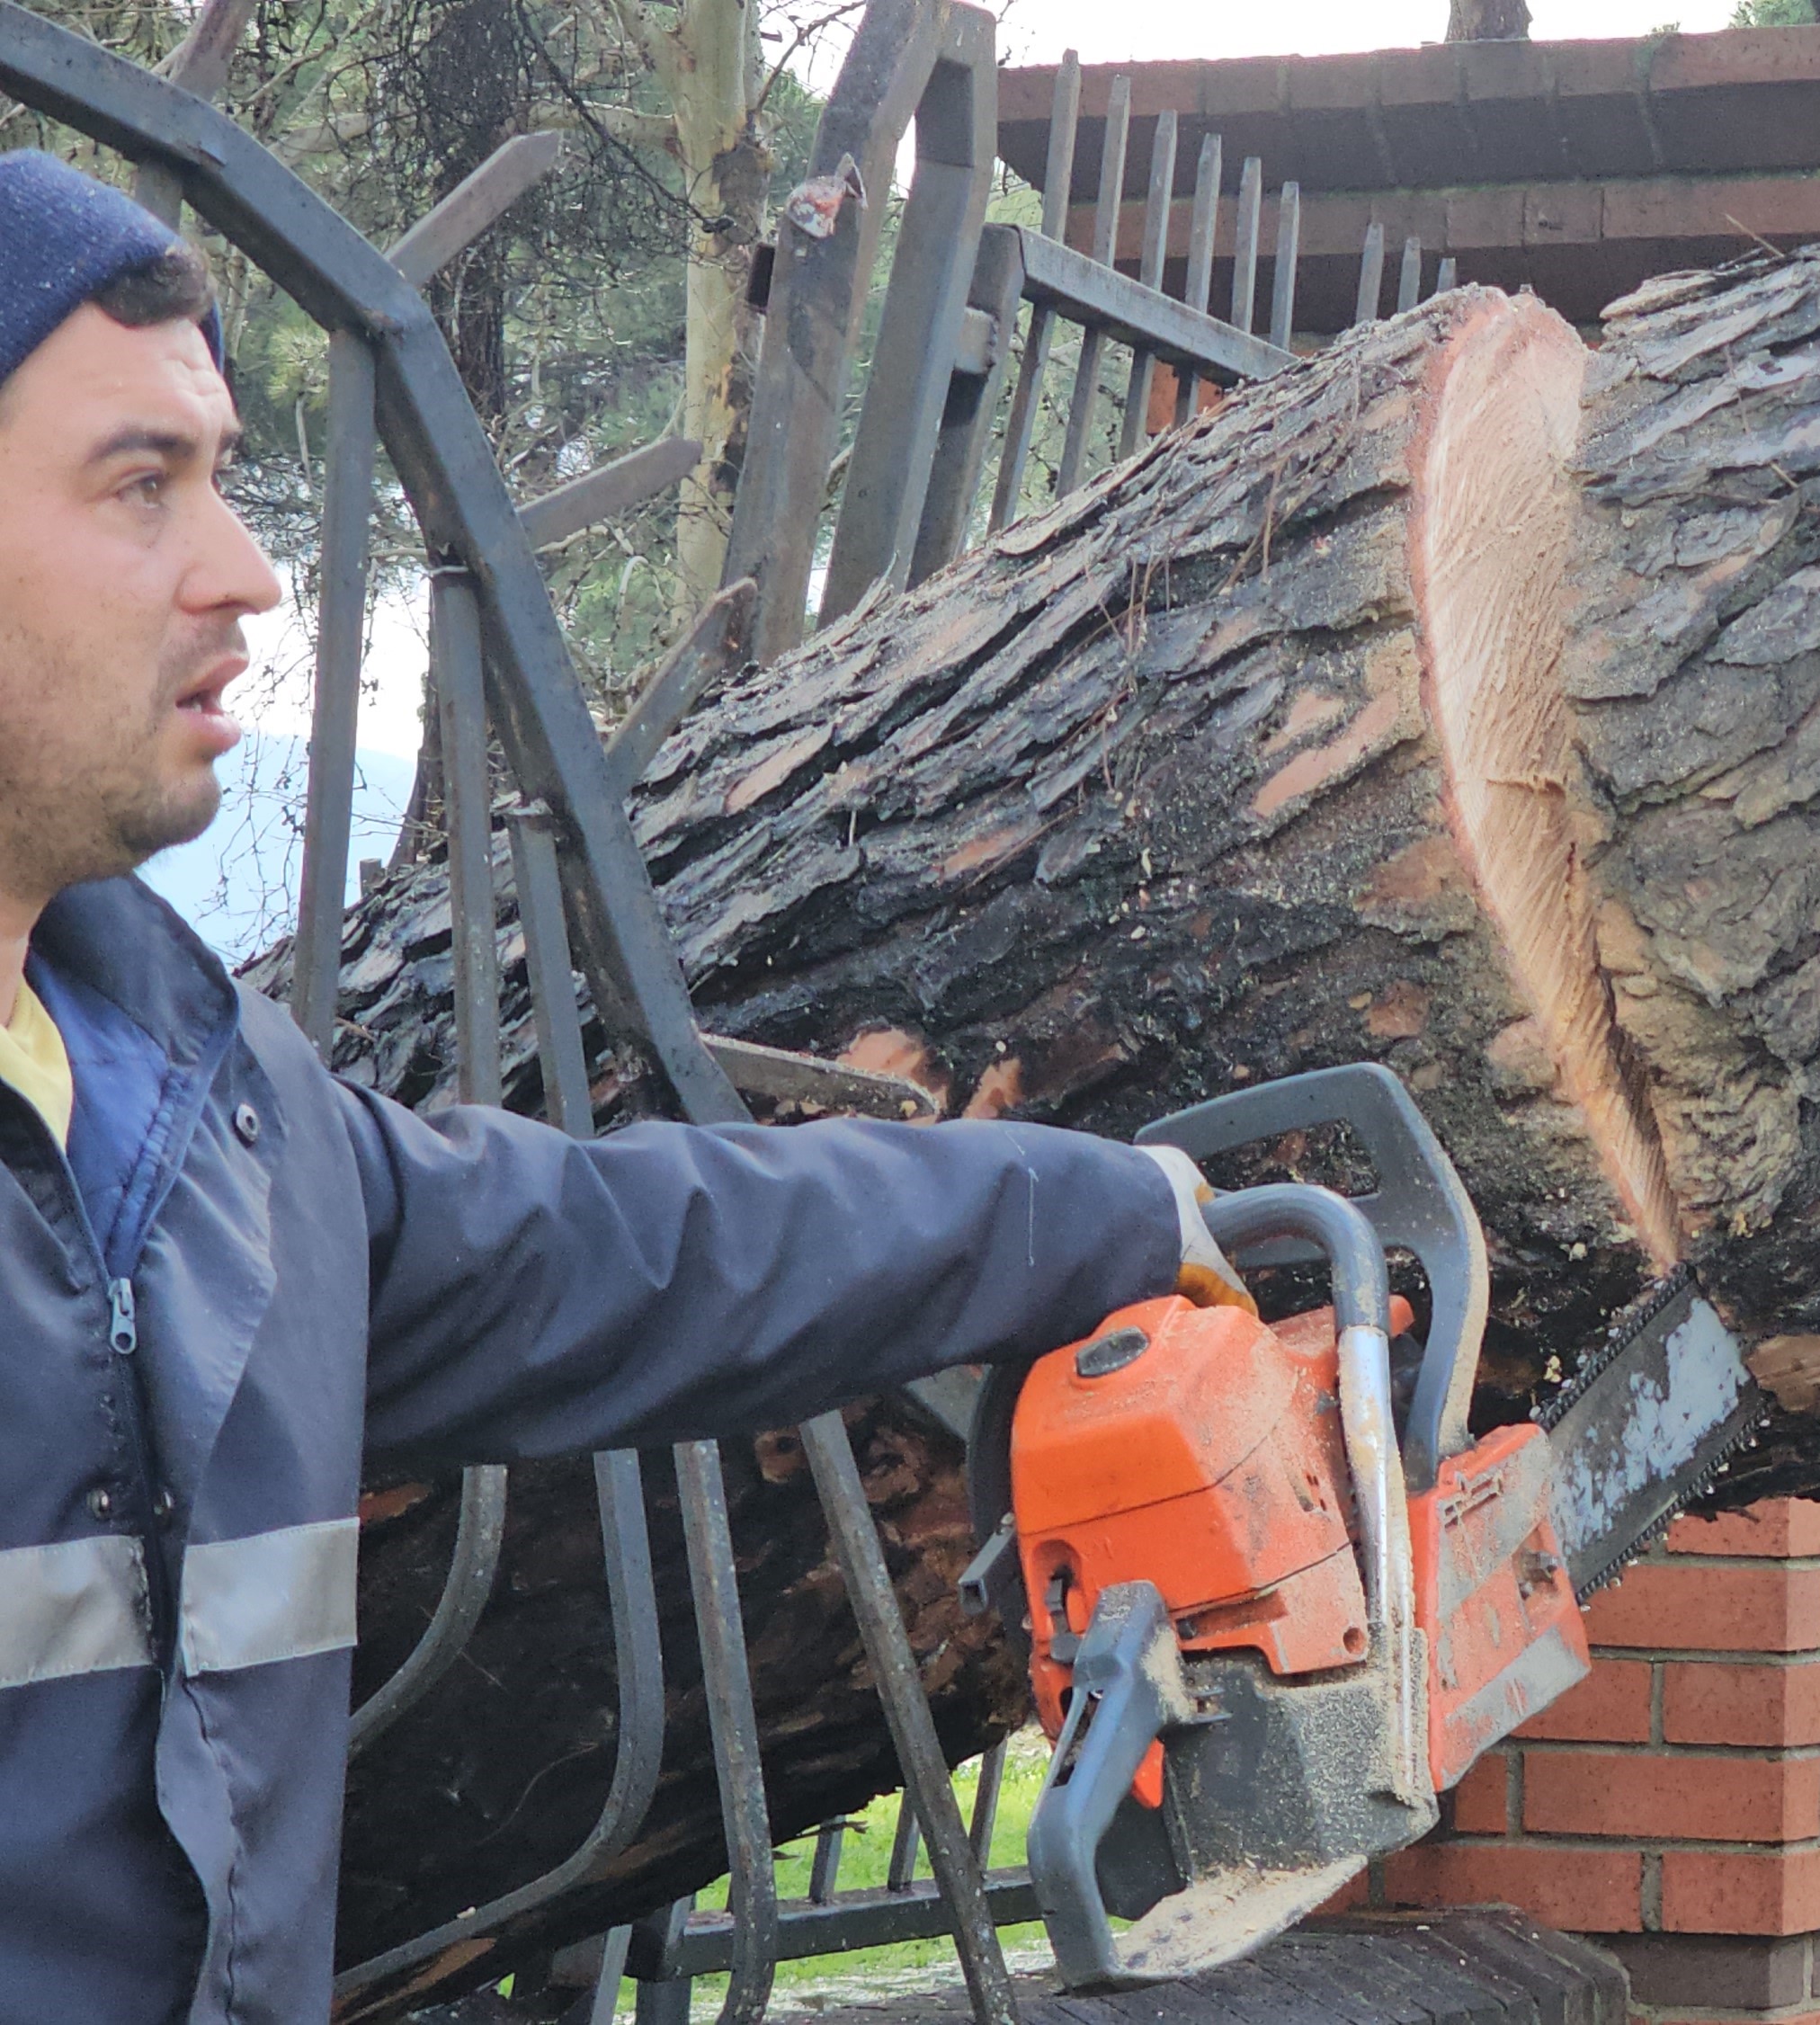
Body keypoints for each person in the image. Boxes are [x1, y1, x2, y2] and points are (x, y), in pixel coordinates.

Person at [0, 149, 1238, 2022]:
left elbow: (629, 1246)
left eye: (226, 477)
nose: (243, 572)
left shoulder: (208, 1118)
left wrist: (1098, 1212)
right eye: (139, 482)